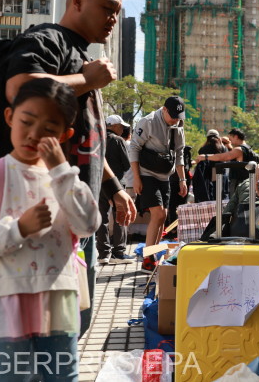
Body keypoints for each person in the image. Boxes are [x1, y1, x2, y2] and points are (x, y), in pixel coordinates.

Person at [5, 0, 136, 336]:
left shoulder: (84, 59)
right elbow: (19, 86)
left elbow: (89, 141)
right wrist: (89, 80)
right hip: (45, 216)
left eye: (117, 11)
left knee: (71, 329)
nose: (113, 18)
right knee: (43, 331)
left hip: (80, 216)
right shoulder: (48, 40)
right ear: (77, 1)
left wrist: (114, 188)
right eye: (107, 9)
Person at [0, 78, 100, 382]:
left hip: (56, 300)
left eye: (49, 129)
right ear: (9, 117)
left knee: (63, 379)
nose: (34, 135)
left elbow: (88, 225)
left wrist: (61, 170)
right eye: (26, 122)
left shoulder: (64, 179)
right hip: (2, 300)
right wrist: (16, 229)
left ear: (65, 134)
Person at [129, 96, 187, 270]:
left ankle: (152, 254)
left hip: (165, 176)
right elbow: (134, 148)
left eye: (179, 116)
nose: (175, 120)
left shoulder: (178, 125)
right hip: (146, 173)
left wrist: (182, 179)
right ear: (164, 110)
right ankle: (148, 257)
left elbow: (179, 153)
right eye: (173, 116)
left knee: (163, 216)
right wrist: (136, 178)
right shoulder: (147, 122)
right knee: (158, 214)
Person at [96, 115, 131, 265]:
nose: (122, 129)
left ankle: (103, 253)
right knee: (120, 217)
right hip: (117, 185)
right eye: (121, 126)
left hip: (99, 183)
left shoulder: (98, 138)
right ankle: (119, 252)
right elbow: (127, 164)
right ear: (115, 126)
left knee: (101, 216)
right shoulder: (118, 140)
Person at [196, 128, 256, 200]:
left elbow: (223, 157)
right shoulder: (248, 148)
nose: (229, 141)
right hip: (247, 181)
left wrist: (205, 157)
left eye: (230, 139)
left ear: (236, 137)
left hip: (238, 182)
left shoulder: (238, 149)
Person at [192, 130, 227, 202]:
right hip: (220, 171)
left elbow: (200, 155)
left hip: (207, 173)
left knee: (209, 192)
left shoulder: (203, 148)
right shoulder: (222, 148)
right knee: (219, 193)